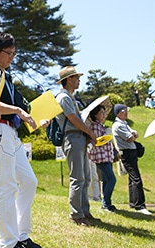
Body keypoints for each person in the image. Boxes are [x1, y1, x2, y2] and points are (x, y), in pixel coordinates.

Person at [0, 33, 41, 248]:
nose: (12, 57)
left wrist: (38, 119)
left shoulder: (7, 77)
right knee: (6, 186)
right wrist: (19, 111)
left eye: (14, 53)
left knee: (29, 181)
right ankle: (8, 243)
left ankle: (21, 236)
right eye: (8, 53)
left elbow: (27, 108)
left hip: (11, 133)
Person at [54, 66, 99, 226]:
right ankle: (76, 214)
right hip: (72, 137)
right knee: (77, 178)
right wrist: (90, 133)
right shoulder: (63, 97)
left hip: (78, 138)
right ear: (69, 80)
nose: (79, 80)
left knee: (85, 177)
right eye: (76, 77)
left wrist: (86, 135)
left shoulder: (71, 97)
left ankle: (84, 211)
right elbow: (73, 118)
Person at [111, 104, 148, 214]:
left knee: (132, 179)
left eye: (127, 110)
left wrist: (134, 134)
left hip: (130, 152)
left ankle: (134, 203)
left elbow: (135, 133)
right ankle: (139, 206)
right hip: (127, 153)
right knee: (136, 178)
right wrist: (133, 135)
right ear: (118, 113)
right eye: (124, 111)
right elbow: (131, 138)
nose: (126, 112)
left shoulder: (124, 123)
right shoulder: (118, 125)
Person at [86, 102, 118, 213]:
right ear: (95, 114)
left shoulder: (100, 125)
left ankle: (107, 203)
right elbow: (97, 141)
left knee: (105, 180)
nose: (104, 115)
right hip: (101, 157)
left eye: (104, 113)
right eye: (101, 113)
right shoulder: (95, 126)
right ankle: (106, 203)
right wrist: (107, 135)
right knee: (111, 179)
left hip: (106, 156)